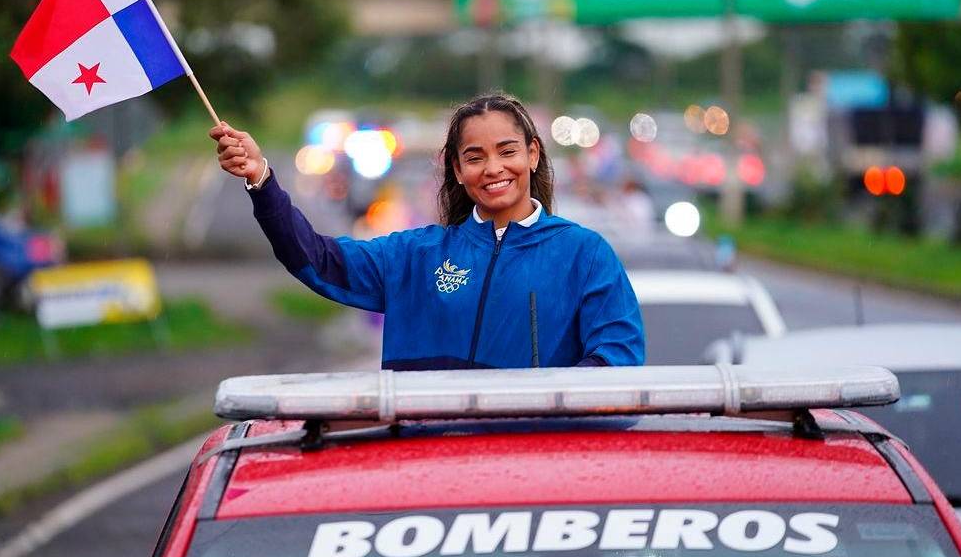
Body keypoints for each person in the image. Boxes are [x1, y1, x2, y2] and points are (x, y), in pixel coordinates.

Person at [210, 93, 644, 370]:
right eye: (475, 157)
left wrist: (543, 402)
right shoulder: (416, 255)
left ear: (532, 155)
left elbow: (617, 358)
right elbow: (317, 259)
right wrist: (261, 180)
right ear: (457, 169)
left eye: (507, 152)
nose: (493, 168)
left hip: (532, 468)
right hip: (427, 467)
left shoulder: (585, 254)